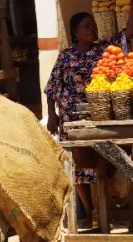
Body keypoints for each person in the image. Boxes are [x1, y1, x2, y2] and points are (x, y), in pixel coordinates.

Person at [45, 12, 126, 220]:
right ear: (75, 31)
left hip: (98, 115)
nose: (92, 29)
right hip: (71, 119)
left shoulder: (103, 50)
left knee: (101, 161)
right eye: (86, 26)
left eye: (93, 25)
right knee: (79, 165)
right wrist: (51, 114)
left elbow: (127, 34)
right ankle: (90, 211)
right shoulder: (65, 56)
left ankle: (103, 208)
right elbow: (52, 86)